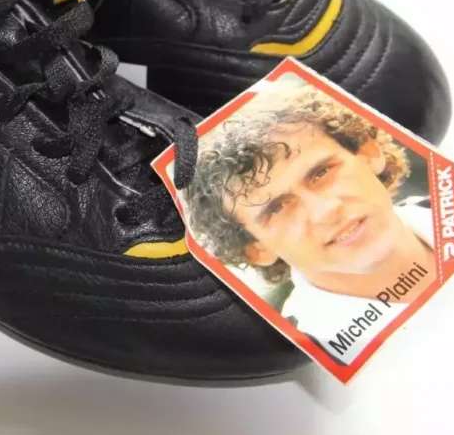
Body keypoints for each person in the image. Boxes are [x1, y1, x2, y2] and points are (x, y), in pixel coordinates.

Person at [181, 83, 434, 363]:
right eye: (277, 208)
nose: (325, 211)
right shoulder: (304, 356)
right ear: (256, 249)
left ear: (369, 154)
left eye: (321, 172)